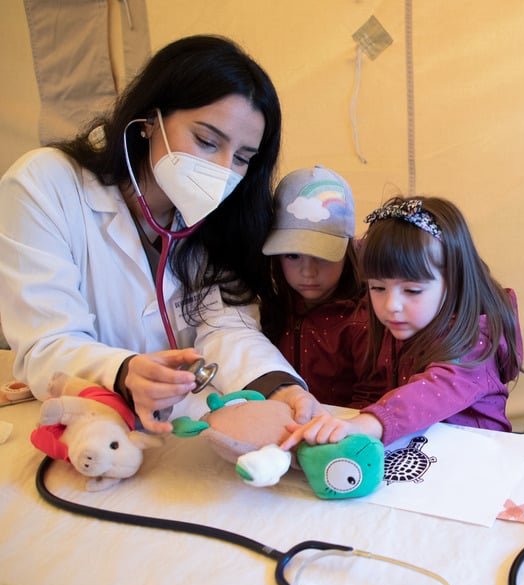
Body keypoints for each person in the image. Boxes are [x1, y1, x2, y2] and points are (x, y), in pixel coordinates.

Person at [0, 35, 319, 433]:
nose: (222, 170)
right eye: (206, 141)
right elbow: (45, 342)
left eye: (241, 158)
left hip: (179, 429)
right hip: (84, 425)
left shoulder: (219, 222)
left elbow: (226, 326)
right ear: (150, 121)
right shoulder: (44, 184)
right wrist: (122, 371)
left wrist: (278, 387)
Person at [280, 196, 524, 449]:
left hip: (475, 461)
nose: (390, 305)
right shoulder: (400, 326)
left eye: (412, 290)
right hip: (419, 452)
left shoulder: (475, 340)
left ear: (455, 281)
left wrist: (366, 423)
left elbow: (431, 392)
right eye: (377, 287)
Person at [260, 165, 382, 407]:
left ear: (347, 251)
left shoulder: (364, 319)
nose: (307, 272)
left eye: (323, 255)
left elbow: (371, 399)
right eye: (292, 256)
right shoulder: (269, 306)